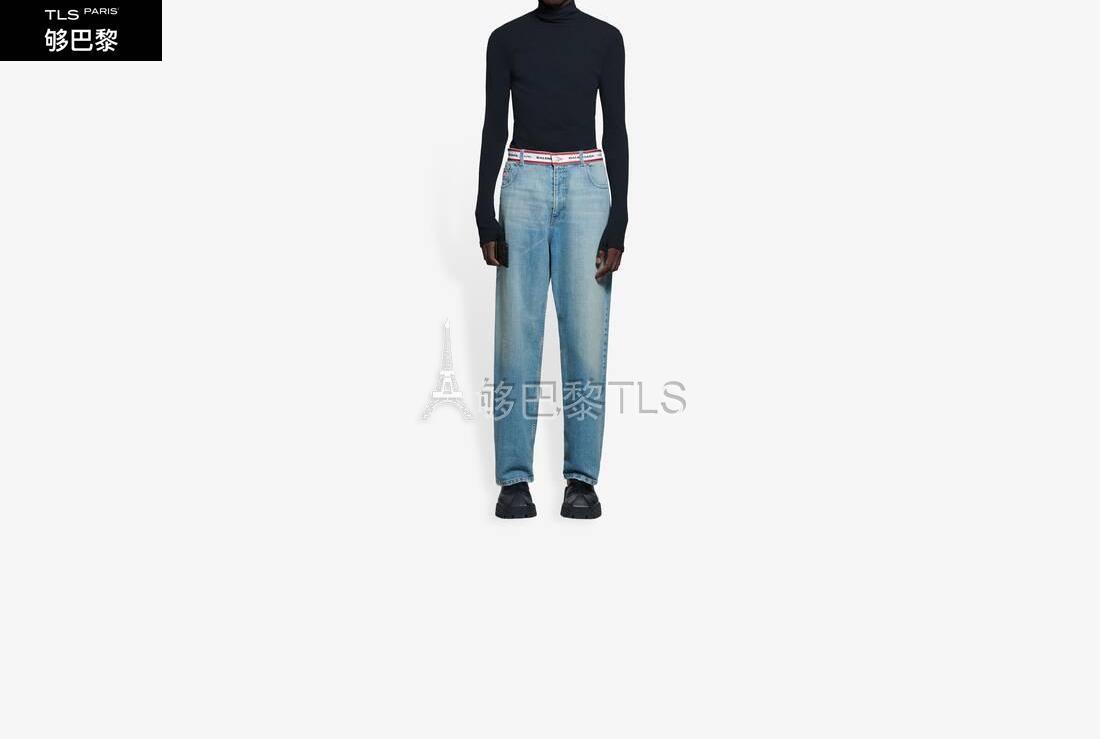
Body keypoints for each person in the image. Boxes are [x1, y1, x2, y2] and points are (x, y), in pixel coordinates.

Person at [475, 0, 628, 519]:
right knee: (516, 340)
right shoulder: (505, 39)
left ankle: (581, 481)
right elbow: (494, 127)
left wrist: (619, 219)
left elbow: (615, 130)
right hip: (522, 185)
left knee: (585, 339)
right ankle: (513, 481)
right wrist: (484, 212)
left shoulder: (605, 39)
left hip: (587, 187)